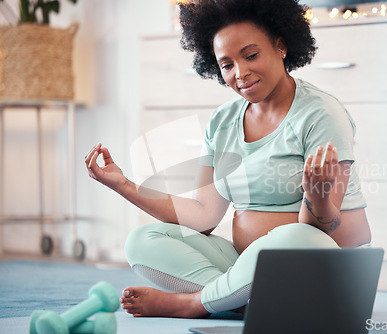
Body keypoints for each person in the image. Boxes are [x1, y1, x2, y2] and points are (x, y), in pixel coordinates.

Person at [84, 0, 371, 319]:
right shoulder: (223, 122)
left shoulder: (321, 114)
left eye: (250, 55)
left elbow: (323, 228)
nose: (240, 73)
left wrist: (317, 196)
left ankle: (194, 303)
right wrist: (123, 185)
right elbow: (203, 215)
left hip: (322, 266)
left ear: (280, 46)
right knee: (143, 239)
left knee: (298, 235)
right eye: (227, 64)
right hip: (246, 268)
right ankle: (241, 300)